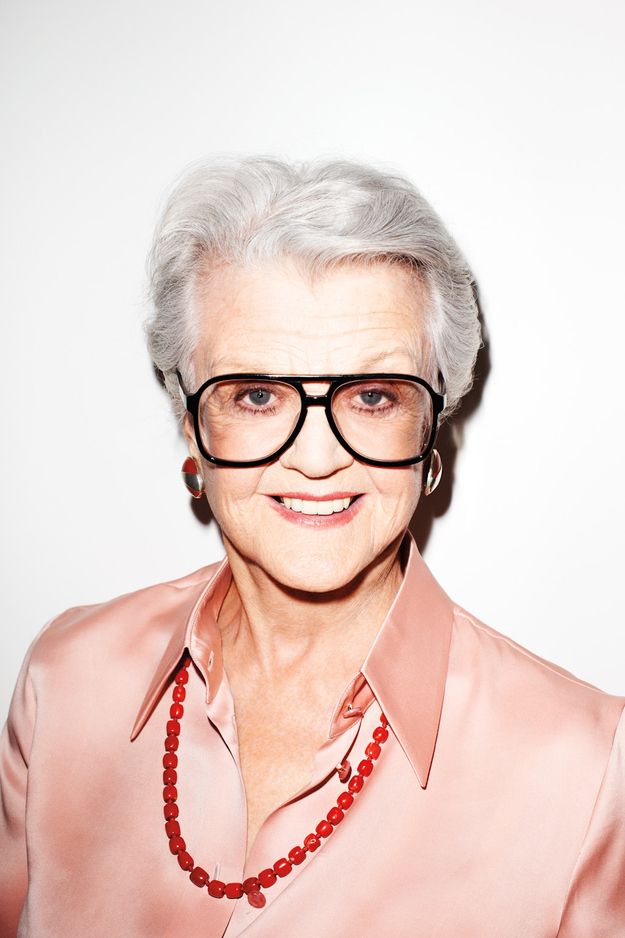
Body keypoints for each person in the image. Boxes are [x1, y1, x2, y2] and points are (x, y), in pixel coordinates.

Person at [1, 156, 623, 938]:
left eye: (372, 397)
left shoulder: (587, 765)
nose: (319, 456)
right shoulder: (65, 681)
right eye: (257, 395)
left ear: (431, 426)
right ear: (190, 423)